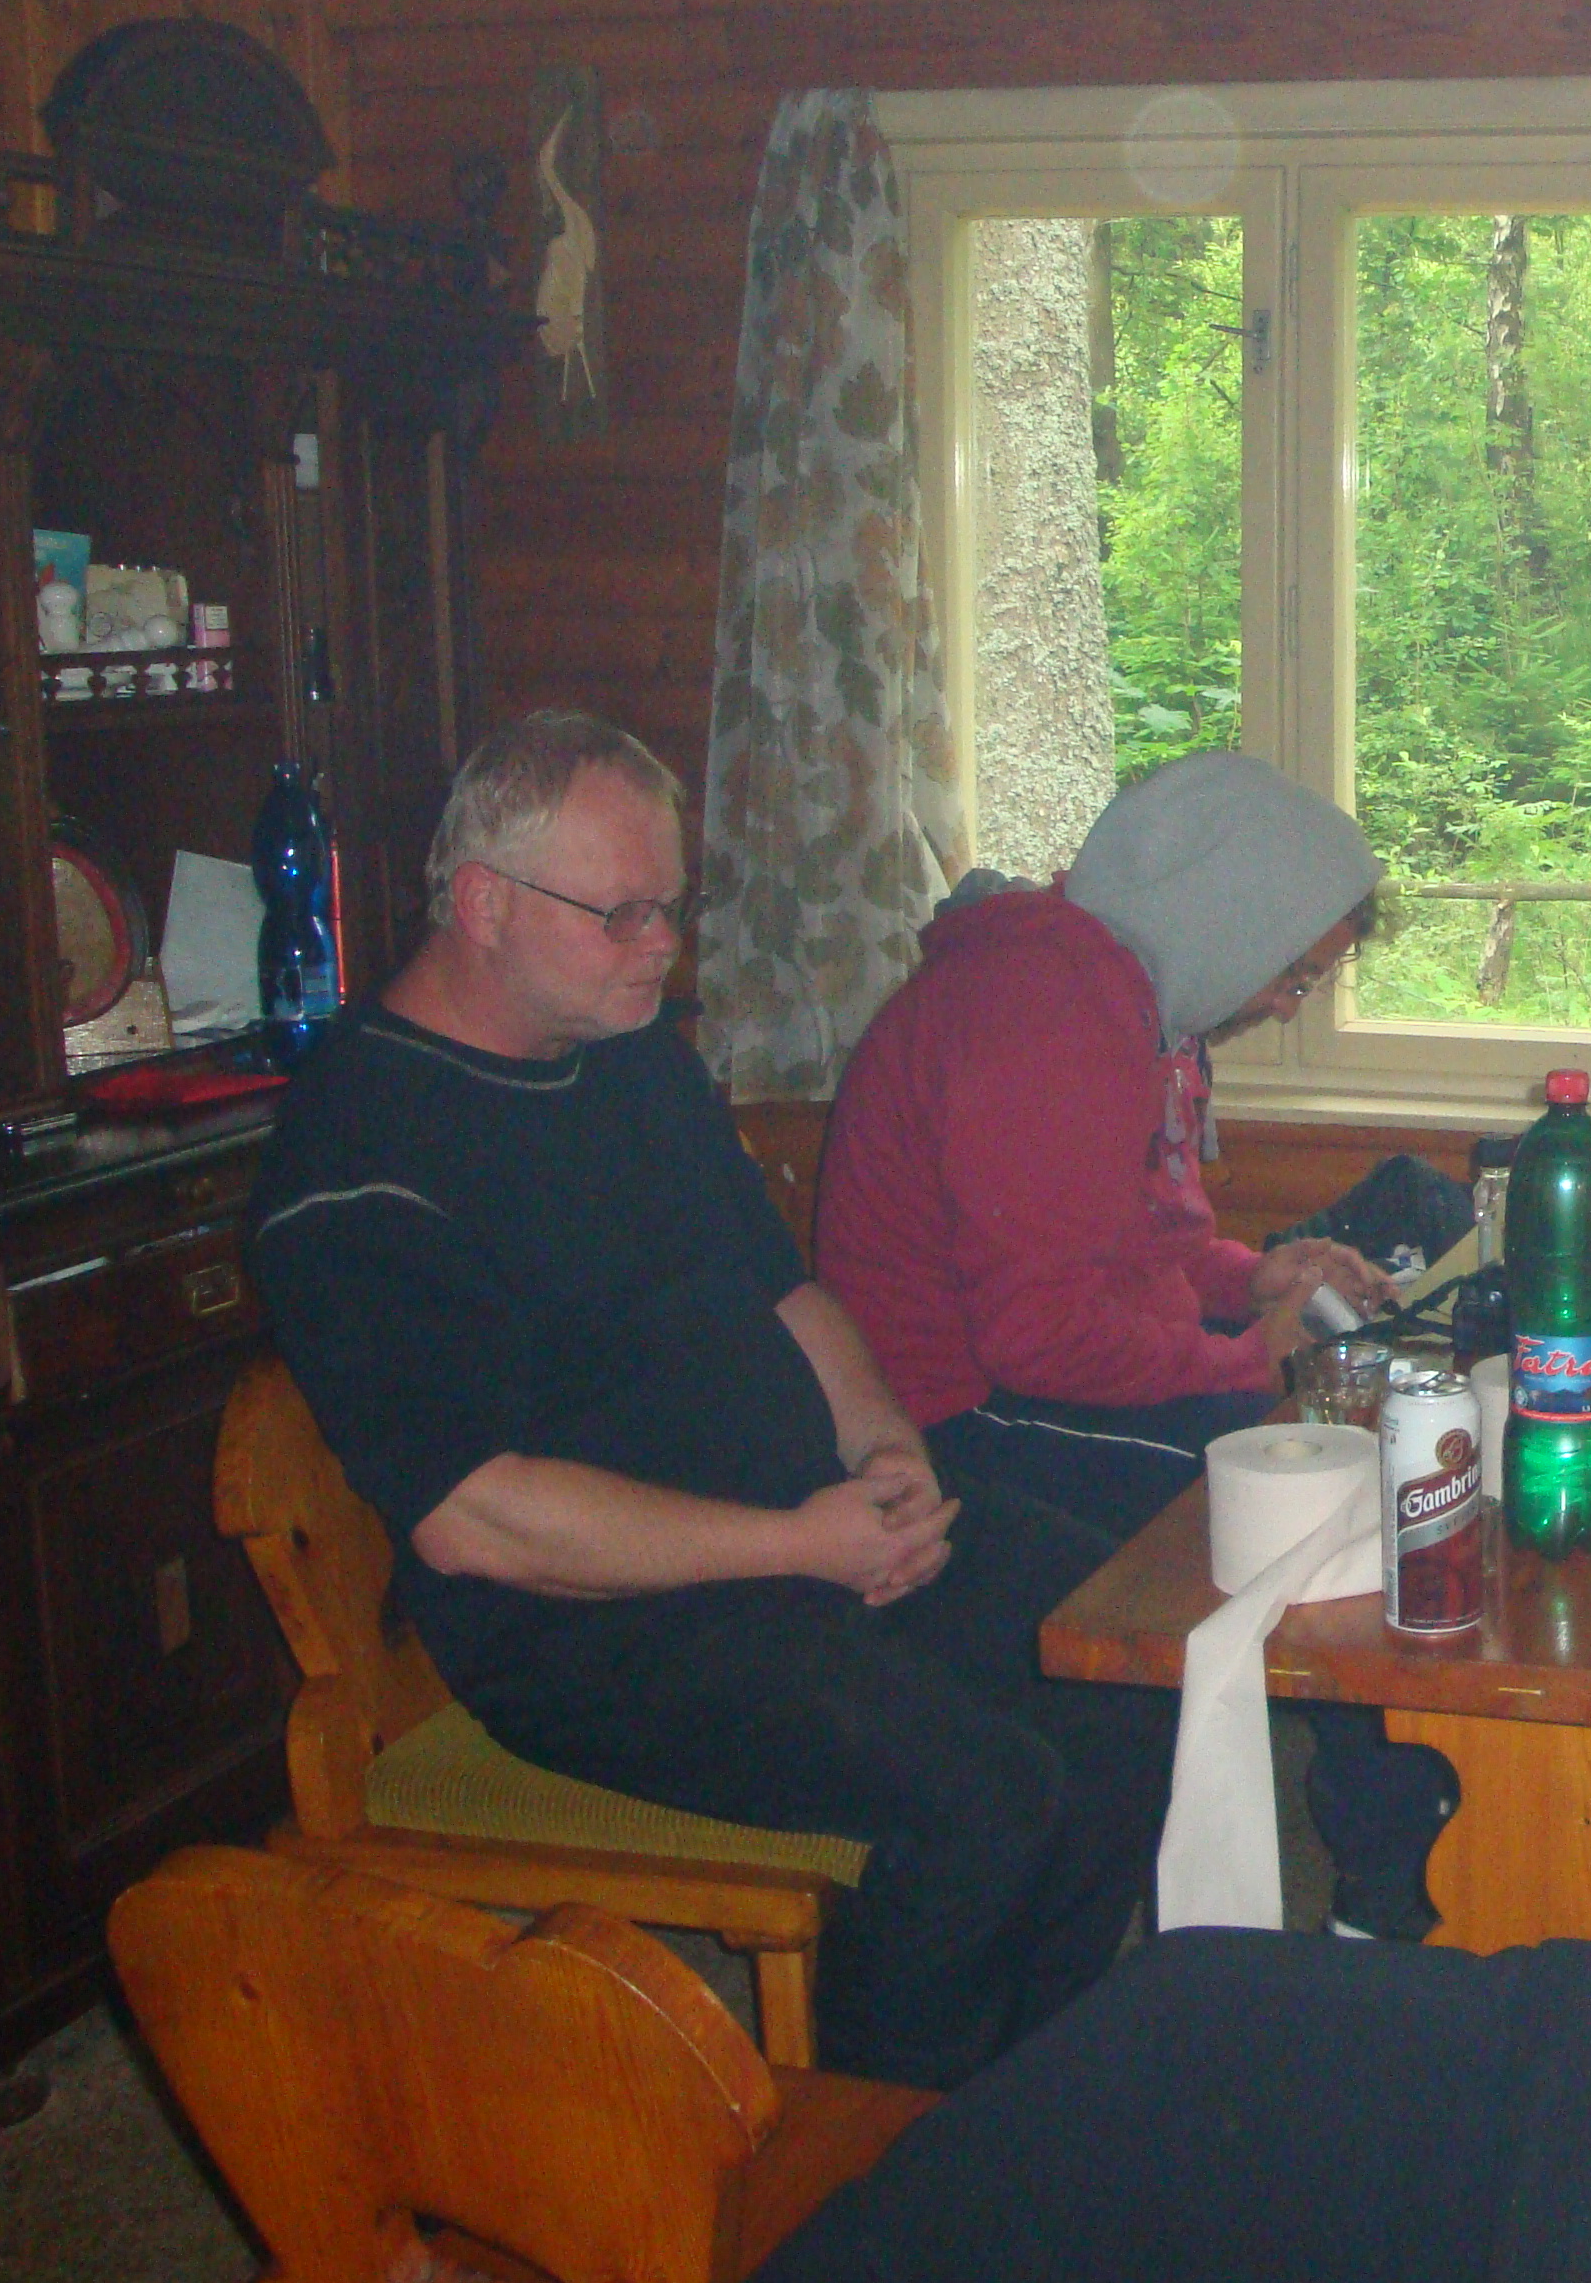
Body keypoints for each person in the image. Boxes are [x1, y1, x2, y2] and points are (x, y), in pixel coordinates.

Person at [245, 711, 1172, 2091]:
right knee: (985, 1804)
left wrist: (885, 1447)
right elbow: (476, 1518)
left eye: (672, 909)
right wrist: (801, 1543)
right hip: (599, 1631)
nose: (660, 948)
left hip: (803, 1533)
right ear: (483, 904)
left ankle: (1022, 2098)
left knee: (1124, 1657)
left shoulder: (629, 1054)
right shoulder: (360, 1153)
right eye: (621, 914)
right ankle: (874, 2167)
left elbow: (784, 1295)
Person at [816, 748, 1459, 1940]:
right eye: (1296, 970)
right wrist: (1246, 1360)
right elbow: (1036, 1336)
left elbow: (1145, 1248)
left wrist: (1258, 1279)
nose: (1289, 1002)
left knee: (1337, 1478)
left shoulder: (1125, 995)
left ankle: (1399, 1857)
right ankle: (1388, 1893)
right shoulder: (1044, 1014)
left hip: (1028, 1379)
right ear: (1229, 913)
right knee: (1320, 1512)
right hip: (950, 1420)